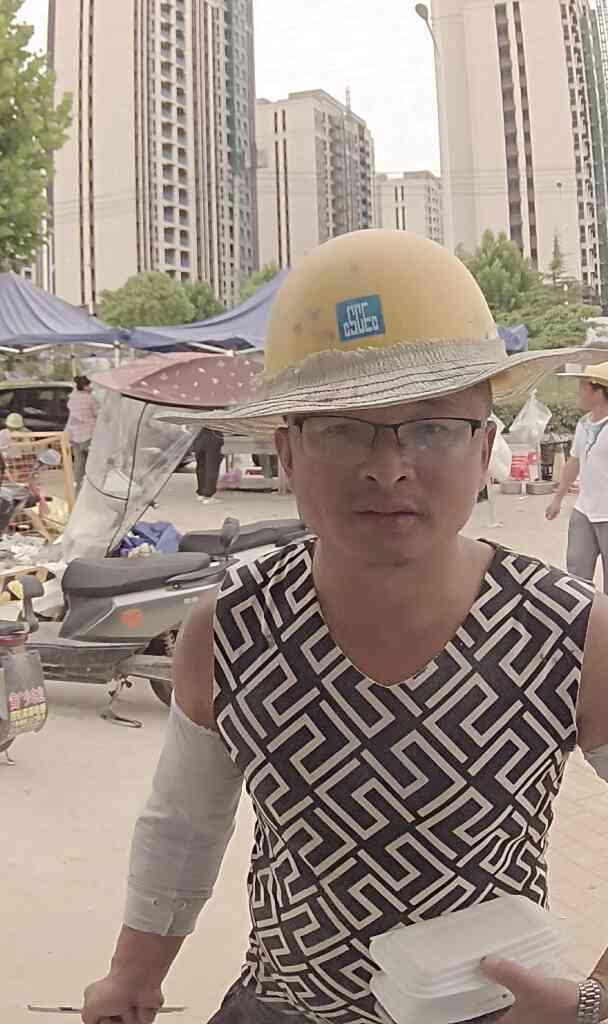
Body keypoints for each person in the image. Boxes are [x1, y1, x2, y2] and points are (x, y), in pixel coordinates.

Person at [82, 231, 608, 1024]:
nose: (388, 466)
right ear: (288, 454)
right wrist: (133, 977)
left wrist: (594, 1000)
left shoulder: (568, 632)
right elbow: (183, 825)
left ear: (486, 450)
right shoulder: (230, 628)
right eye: (343, 426)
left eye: (432, 427)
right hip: (281, 1006)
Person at [546, 363, 608, 593]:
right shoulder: (584, 423)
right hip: (584, 510)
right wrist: (557, 498)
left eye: (582, 386)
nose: (578, 392)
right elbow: (574, 462)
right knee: (576, 577)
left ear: (598, 390)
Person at [67, 375, 98, 491]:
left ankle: (76, 489)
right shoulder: (90, 398)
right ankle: (90, 489)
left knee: (78, 465)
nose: (91, 387)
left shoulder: (72, 398)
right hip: (89, 434)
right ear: (85, 386)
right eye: (89, 385)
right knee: (92, 464)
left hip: (75, 435)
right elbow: (97, 414)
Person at [193, 427, 224, 503]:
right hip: (213, 434)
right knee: (212, 466)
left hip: (199, 436)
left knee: (201, 465)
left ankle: (201, 493)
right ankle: (207, 496)